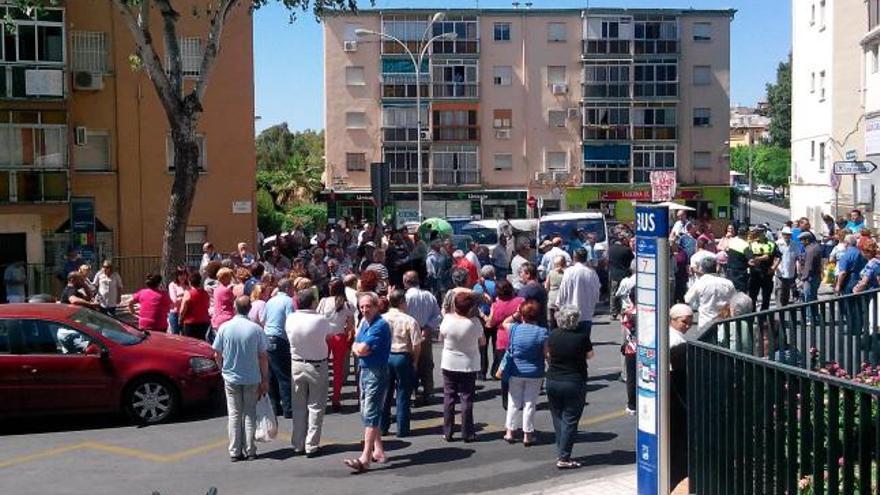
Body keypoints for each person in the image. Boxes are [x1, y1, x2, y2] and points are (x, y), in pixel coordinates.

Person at [212, 296, 269, 462]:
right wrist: (265, 379)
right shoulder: (256, 329)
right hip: (252, 377)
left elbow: (217, 353)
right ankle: (251, 449)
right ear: (249, 308)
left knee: (234, 414)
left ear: (235, 308)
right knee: (250, 413)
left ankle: (235, 450)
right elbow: (263, 356)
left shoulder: (225, 327)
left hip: (231, 376)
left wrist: (222, 368)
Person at [345, 292, 392, 473]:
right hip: (364, 370)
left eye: (368, 306)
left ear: (376, 306)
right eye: (362, 306)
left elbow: (361, 347)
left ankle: (365, 457)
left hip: (376, 371)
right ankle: (378, 450)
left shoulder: (380, 326)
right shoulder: (365, 324)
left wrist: (359, 348)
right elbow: (356, 346)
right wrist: (359, 349)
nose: (364, 310)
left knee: (370, 411)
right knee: (367, 411)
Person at [285, 288, 332, 457]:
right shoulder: (321, 320)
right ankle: (311, 445)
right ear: (312, 302)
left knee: (299, 406)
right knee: (316, 406)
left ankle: (298, 444)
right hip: (317, 365)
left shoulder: (290, 318)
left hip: (297, 363)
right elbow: (329, 336)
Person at [546, 305, 594, 469]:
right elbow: (590, 355)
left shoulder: (553, 335)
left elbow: (549, 354)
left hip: (553, 379)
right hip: (574, 380)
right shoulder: (581, 337)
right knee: (571, 419)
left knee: (557, 416)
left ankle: (562, 448)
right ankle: (564, 456)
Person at [502, 299, 548, 447]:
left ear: (522, 315)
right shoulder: (542, 332)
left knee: (514, 401)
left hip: (515, 370)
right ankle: (527, 434)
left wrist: (516, 314)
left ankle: (510, 431)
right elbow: (547, 354)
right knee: (530, 403)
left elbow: (504, 322)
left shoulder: (514, 328)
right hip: (535, 372)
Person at [439, 291, 485, 443]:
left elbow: (440, 338)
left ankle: (448, 431)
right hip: (468, 364)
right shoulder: (474, 323)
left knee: (449, 398)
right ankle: (467, 432)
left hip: (449, 362)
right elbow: (482, 342)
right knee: (466, 398)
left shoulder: (447, 320)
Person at [381, 289, 423, 438]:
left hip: (386, 356)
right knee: (403, 393)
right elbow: (416, 344)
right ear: (402, 302)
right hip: (402, 355)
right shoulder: (409, 320)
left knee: (385, 392)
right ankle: (402, 428)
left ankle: (382, 426)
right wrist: (415, 361)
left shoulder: (382, 318)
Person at [316, 278, 356, 412]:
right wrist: (344, 331)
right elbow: (350, 325)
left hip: (325, 337)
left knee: (322, 366)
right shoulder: (347, 304)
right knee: (338, 370)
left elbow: (318, 318)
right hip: (340, 337)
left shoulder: (324, 302)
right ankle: (336, 398)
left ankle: (321, 396)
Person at [403, 271, 441, 405]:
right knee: (426, 363)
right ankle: (428, 391)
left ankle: (412, 393)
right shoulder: (428, 296)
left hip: (407, 334)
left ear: (405, 282)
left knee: (410, 363)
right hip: (424, 332)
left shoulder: (405, 298)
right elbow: (437, 315)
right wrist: (428, 328)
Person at [488, 279, 524, 410]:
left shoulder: (496, 305)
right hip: (519, 337)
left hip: (503, 340)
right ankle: (519, 398)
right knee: (519, 370)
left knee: (505, 371)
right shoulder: (520, 301)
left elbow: (490, 324)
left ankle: (506, 402)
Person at [668, 304, 693, 489]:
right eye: (684, 322)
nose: (687, 326)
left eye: (690, 322)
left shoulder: (673, 337)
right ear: (673, 320)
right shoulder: (676, 343)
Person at [262, 278, 295, 419]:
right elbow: (291, 321)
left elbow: (263, 319)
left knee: (271, 376)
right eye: (292, 288)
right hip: (280, 339)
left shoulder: (270, 301)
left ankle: (275, 408)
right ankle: (289, 408)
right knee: (284, 376)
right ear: (287, 288)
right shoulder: (288, 301)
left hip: (267, 338)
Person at [555, 248, 601, 339]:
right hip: (586, 314)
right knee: (584, 345)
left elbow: (563, 291)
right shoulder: (592, 273)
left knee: (571, 345)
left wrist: (559, 305)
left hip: (570, 314)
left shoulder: (569, 272)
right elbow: (597, 293)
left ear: (574, 257)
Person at [684, 256, 736, 331]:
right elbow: (734, 301)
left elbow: (687, 299)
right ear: (716, 268)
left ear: (701, 269)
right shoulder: (727, 283)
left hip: (705, 323)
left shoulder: (700, 282)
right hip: (724, 322)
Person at [607, 237, 634, 320]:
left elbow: (607, 260)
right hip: (625, 274)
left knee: (613, 293)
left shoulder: (610, 249)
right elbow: (632, 259)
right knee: (625, 293)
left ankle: (613, 312)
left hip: (613, 274)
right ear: (624, 240)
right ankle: (624, 310)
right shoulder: (626, 250)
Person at [179, 271, 211, 340]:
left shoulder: (188, 293)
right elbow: (207, 306)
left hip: (190, 323)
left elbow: (183, 309)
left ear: (190, 282)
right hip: (204, 322)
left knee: (189, 343)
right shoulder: (205, 293)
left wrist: (180, 320)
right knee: (201, 342)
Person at [518, 263, 549, 328]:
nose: (520, 275)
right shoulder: (541, 287)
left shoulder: (525, 290)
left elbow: (520, 308)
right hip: (542, 324)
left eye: (521, 272)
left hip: (530, 326)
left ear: (528, 274)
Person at [210, 268, 237, 341]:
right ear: (225, 277)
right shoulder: (226, 290)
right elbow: (233, 302)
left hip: (217, 318)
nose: (230, 279)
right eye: (229, 277)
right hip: (226, 319)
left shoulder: (216, 289)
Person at [774, 227, 797, 307]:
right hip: (780, 269)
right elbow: (774, 257)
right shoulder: (777, 243)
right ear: (783, 234)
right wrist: (775, 267)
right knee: (779, 288)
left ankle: (784, 305)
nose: (787, 236)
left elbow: (796, 257)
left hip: (790, 270)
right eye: (786, 234)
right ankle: (779, 306)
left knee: (786, 289)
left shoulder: (794, 244)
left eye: (789, 235)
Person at [725, 227, 752, 293]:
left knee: (730, 291)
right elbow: (751, 260)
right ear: (746, 234)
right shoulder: (745, 245)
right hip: (740, 272)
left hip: (729, 270)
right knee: (740, 292)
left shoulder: (732, 240)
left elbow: (727, 250)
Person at [544, 256, 567, 329]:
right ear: (564, 263)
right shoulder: (567, 273)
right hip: (563, 299)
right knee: (563, 321)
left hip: (552, 299)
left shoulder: (551, 273)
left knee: (552, 322)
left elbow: (546, 286)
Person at [167, 266, 190, 335]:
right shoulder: (172, 285)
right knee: (175, 336)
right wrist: (185, 295)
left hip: (186, 313)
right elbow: (174, 300)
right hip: (175, 313)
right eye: (180, 275)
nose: (182, 277)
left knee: (185, 336)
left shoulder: (188, 285)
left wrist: (180, 296)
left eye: (184, 274)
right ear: (176, 276)